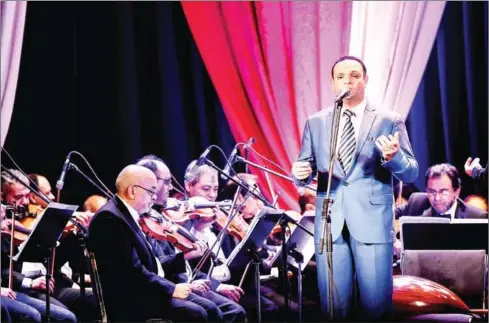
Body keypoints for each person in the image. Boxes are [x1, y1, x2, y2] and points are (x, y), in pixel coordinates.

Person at [292, 55, 419, 320]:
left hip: (371, 220)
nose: (347, 81)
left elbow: (411, 172)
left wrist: (393, 157)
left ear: (365, 80)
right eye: (340, 77)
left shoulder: (388, 119)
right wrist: (300, 173)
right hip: (330, 222)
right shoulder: (317, 122)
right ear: (332, 82)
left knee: (375, 307)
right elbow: (306, 166)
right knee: (333, 307)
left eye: (354, 75)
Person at [87, 164, 224, 322]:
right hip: (131, 300)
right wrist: (172, 288)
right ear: (133, 191)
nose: (154, 197)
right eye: (151, 191)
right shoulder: (109, 219)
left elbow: (150, 264)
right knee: (196, 313)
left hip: (145, 291)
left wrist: (182, 260)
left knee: (211, 309)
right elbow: (131, 271)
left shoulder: (127, 215)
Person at [136, 155, 247, 322]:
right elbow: (158, 266)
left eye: (215, 189)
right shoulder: (154, 220)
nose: (211, 197)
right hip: (174, 287)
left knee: (236, 310)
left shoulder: (165, 215)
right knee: (214, 311)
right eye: (206, 188)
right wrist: (194, 236)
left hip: (195, 281)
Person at [395, 163, 488, 220]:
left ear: (456, 192)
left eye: (443, 191)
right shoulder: (416, 202)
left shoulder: (477, 217)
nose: (437, 198)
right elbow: (387, 216)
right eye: (432, 192)